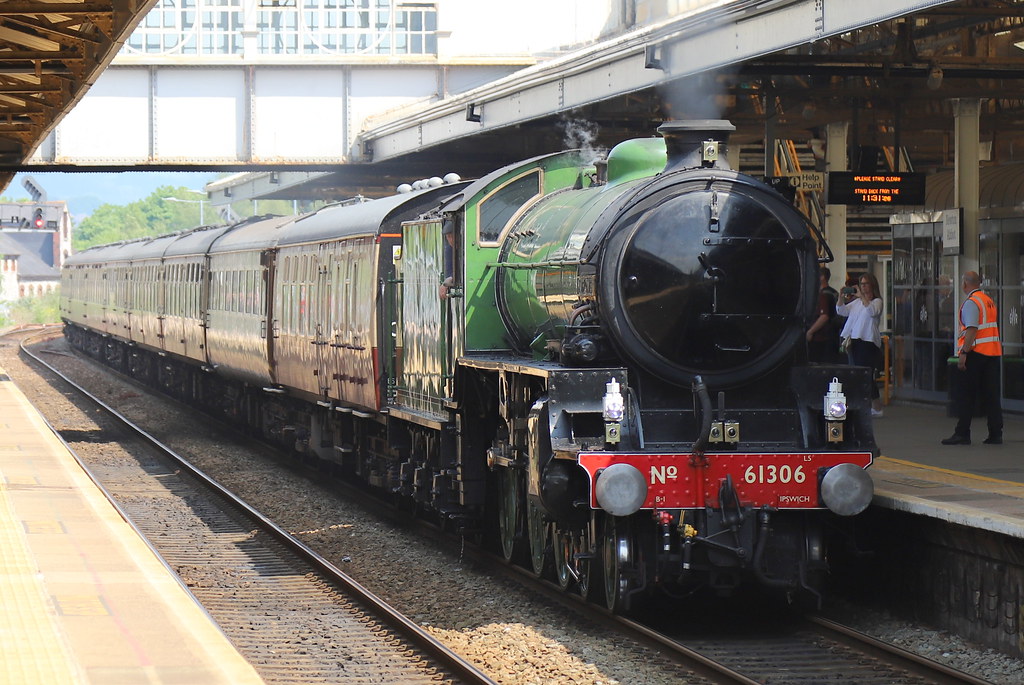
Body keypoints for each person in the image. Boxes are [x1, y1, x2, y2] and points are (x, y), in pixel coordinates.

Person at [942, 271, 1003, 445]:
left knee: (967, 394)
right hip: (992, 353)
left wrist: (964, 353)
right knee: (991, 395)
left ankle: (962, 433)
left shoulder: (971, 303)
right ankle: (995, 433)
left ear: (965, 284)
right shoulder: (988, 301)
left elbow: (971, 329)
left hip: (976, 353)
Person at [836, 272, 884, 417]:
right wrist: (841, 297)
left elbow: (872, 312)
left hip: (868, 341)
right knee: (856, 374)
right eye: (861, 284)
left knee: (866, 375)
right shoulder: (856, 303)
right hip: (854, 340)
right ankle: (861, 404)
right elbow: (841, 311)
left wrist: (861, 297)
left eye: (865, 284)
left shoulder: (877, 301)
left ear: (872, 285)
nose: (863, 287)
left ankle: (876, 406)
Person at [806, 267, 839, 362]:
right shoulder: (835, 293)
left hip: (822, 336)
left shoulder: (823, 295)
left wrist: (810, 331)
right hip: (833, 334)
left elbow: (824, 316)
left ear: (822, 277)